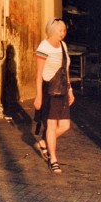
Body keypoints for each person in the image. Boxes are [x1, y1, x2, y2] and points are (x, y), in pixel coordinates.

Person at [33, 17, 74, 174]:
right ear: (51, 31)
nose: (62, 33)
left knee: (65, 126)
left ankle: (43, 142)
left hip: (62, 90)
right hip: (50, 90)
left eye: (64, 30)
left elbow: (66, 70)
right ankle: (53, 159)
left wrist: (70, 89)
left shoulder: (63, 45)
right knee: (51, 126)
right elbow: (38, 74)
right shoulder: (44, 47)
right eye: (60, 30)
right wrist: (38, 96)